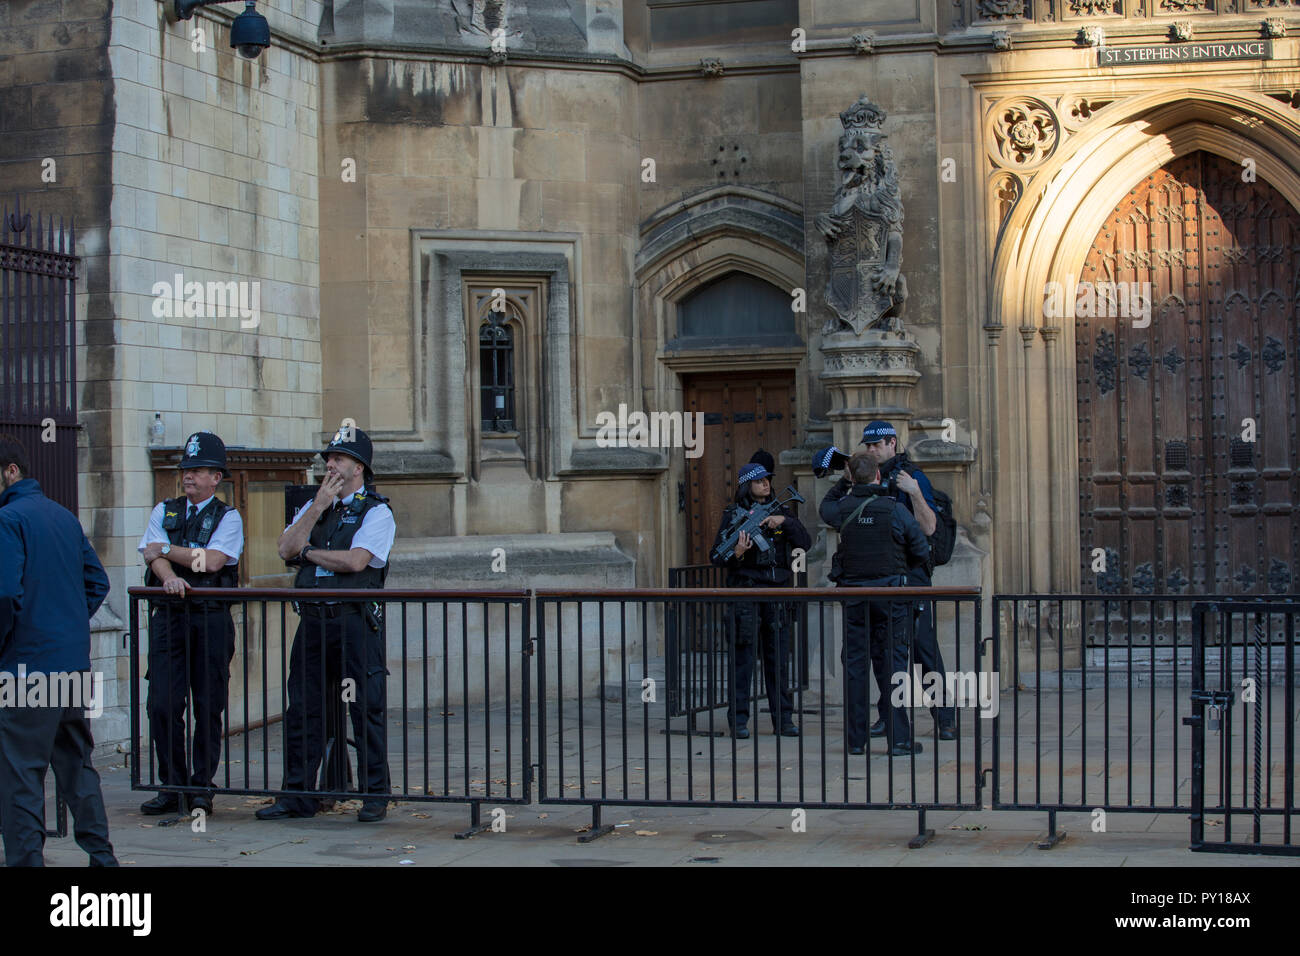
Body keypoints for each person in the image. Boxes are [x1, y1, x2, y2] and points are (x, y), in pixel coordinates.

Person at [258, 427, 395, 823]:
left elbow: (355, 562)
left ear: (359, 467)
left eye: (338, 458)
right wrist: (317, 507)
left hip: (353, 623)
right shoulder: (317, 505)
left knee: (364, 708)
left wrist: (309, 553)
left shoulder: (377, 511)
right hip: (314, 623)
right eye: (328, 458)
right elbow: (285, 549)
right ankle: (297, 795)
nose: (329, 464)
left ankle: (374, 794)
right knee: (303, 709)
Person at [0, 434, 117, 866]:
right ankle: (103, 860)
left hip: (24, 671)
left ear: (11, 471)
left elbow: (4, 595)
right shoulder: (63, 517)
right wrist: (64, 627)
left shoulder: (8, 520)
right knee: (75, 766)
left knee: (21, 777)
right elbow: (97, 583)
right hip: (69, 668)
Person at [138, 431, 244, 816]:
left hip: (210, 618)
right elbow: (151, 557)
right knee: (162, 704)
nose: (188, 476)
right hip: (170, 617)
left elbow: (212, 562)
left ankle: (202, 787)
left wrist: (166, 549)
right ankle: (173, 784)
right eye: (186, 469)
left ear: (216, 477)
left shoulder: (228, 516)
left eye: (197, 470)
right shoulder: (164, 510)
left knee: (207, 704)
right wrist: (167, 573)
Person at [820, 451, 929, 756]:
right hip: (891, 597)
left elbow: (824, 507)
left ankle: (856, 742)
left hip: (854, 598)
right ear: (879, 476)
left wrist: (844, 483)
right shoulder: (894, 510)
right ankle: (899, 740)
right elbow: (920, 549)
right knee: (894, 666)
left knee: (855, 668)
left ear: (852, 478)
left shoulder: (842, 509)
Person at [858, 420, 956, 740]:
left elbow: (930, 528)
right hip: (880, 575)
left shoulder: (914, 477)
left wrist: (914, 492)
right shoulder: (868, 480)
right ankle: (888, 716)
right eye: (868, 446)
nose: (872, 450)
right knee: (882, 650)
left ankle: (944, 717)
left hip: (912, 576)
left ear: (892, 443)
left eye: (877, 445)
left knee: (923, 648)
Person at [710, 450, 811, 739]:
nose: (766, 484)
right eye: (759, 482)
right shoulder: (733, 516)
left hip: (777, 592)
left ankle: (784, 719)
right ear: (747, 486)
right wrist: (738, 554)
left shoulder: (782, 511)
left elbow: (804, 543)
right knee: (742, 661)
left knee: (778, 660)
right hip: (746, 594)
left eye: (767, 480)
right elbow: (717, 556)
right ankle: (739, 721)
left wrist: (785, 523)